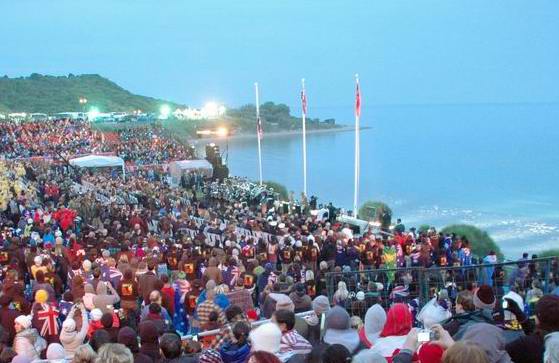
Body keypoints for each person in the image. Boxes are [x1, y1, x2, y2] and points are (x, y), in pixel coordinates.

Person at [505, 294, 559, 363]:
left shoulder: (525, 345)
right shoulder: (551, 340)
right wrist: (520, 315)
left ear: (538, 318)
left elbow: (498, 354)